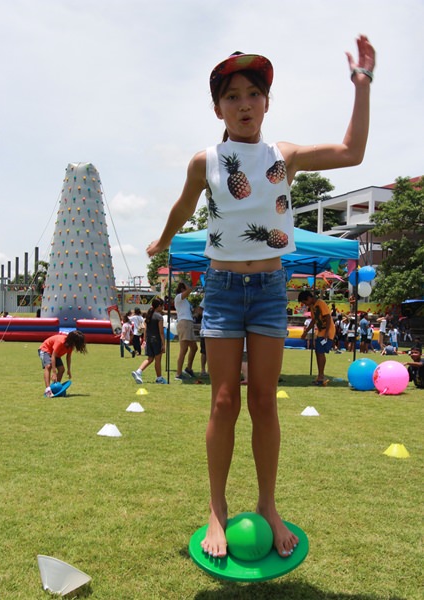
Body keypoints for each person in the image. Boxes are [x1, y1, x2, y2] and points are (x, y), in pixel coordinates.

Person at [146, 37, 375, 559]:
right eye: (232, 97)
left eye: (253, 94)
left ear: (267, 103)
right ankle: (217, 509)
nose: (244, 104)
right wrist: (162, 239)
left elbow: (352, 152)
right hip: (223, 290)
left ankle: (268, 504)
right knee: (223, 400)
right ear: (217, 108)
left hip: (270, 292)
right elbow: (184, 207)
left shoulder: (284, 156)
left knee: (264, 402)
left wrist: (361, 85)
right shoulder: (206, 160)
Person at [299, 290, 336, 384]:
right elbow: (313, 321)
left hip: (327, 331)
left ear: (309, 298)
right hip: (320, 331)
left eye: (305, 302)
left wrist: (327, 332)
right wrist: (305, 332)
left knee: (320, 352)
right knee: (318, 351)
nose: (305, 305)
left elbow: (328, 317)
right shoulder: (312, 307)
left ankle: (321, 376)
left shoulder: (320, 303)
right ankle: (320, 375)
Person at [38, 330, 87, 397]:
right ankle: (48, 390)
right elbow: (53, 356)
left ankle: (55, 388)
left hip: (55, 354)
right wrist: (54, 372)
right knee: (48, 366)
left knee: (61, 369)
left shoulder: (70, 345)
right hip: (45, 350)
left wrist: (68, 370)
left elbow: (68, 357)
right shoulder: (60, 341)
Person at [132, 298, 167, 384]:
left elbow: (146, 329)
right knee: (158, 360)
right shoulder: (159, 317)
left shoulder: (148, 315)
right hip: (156, 340)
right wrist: (163, 344)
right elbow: (161, 332)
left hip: (149, 340)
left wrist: (144, 340)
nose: (162, 308)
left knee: (150, 359)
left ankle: (138, 371)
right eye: (162, 306)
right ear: (159, 306)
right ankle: (159, 378)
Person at [174, 282, 198, 379]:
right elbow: (189, 290)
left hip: (188, 323)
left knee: (194, 348)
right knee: (183, 349)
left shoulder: (185, 301)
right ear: (182, 289)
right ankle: (178, 374)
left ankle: (188, 368)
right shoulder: (178, 297)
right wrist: (187, 284)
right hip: (184, 323)